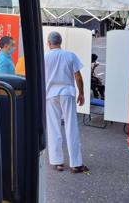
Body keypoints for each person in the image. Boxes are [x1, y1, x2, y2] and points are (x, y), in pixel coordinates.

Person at [44, 31, 88, 173]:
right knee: (71, 126)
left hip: (51, 94)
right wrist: (81, 93)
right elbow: (78, 77)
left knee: (53, 127)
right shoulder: (70, 55)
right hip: (67, 93)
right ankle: (76, 163)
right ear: (60, 42)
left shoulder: (44, 57)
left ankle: (57, 162)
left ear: (49, 43)